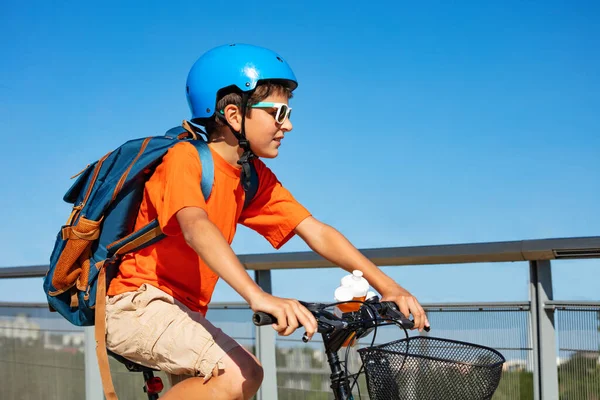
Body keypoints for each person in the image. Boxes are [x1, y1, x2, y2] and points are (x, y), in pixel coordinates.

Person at [104, 43, 430, 400]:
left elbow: (314, 230)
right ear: (232, 114)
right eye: (278, 113)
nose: (287, 125)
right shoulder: (184, 158)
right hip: (136, 305)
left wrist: (388, 286)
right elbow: (196, 226)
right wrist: (258, 296)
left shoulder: (251, 176)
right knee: (241, 375)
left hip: (184, 310)